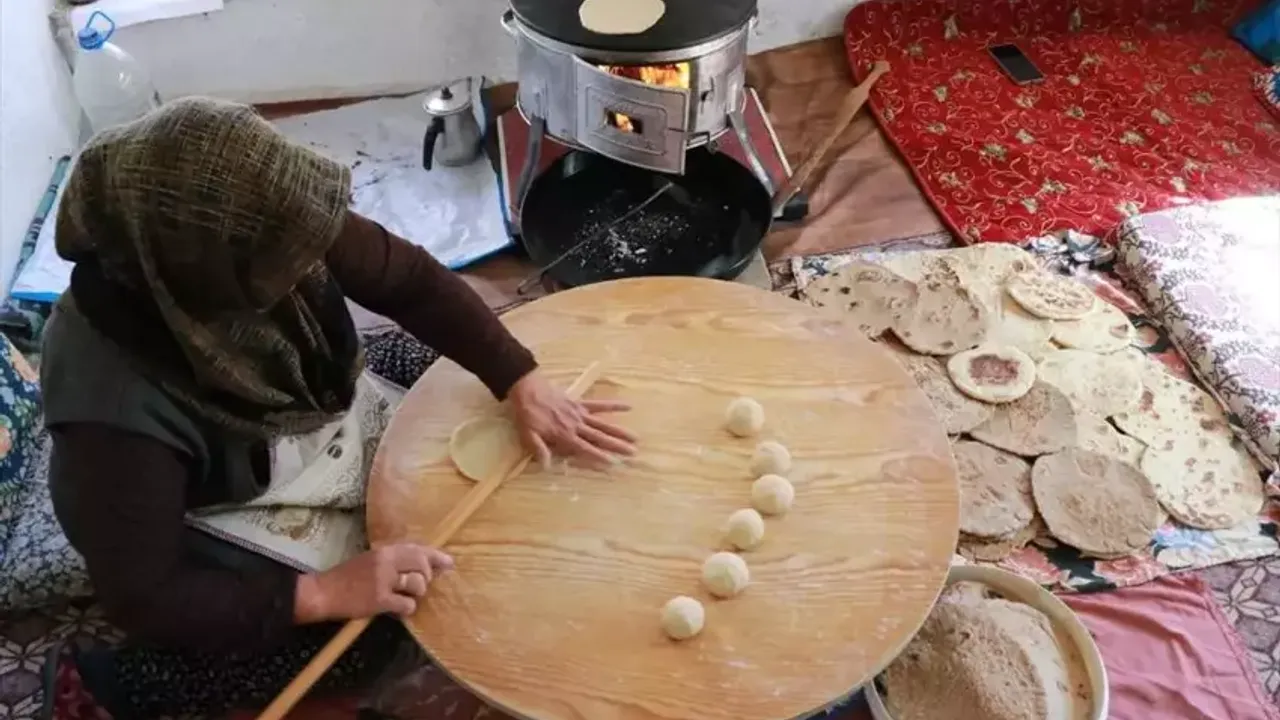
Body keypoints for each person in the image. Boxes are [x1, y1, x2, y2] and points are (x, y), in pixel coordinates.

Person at [38, 96, 637, 718]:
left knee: (447, 372)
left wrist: (520, 379)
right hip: (218, 504)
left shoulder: (263, 214)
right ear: (211, 283)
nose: (315, 259)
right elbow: (145, 595)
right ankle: (118, 684)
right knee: (393, 624)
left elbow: (408, 280)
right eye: (286, 266)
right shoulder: (112, 415)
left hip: (301, 415)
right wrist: (324, 594)